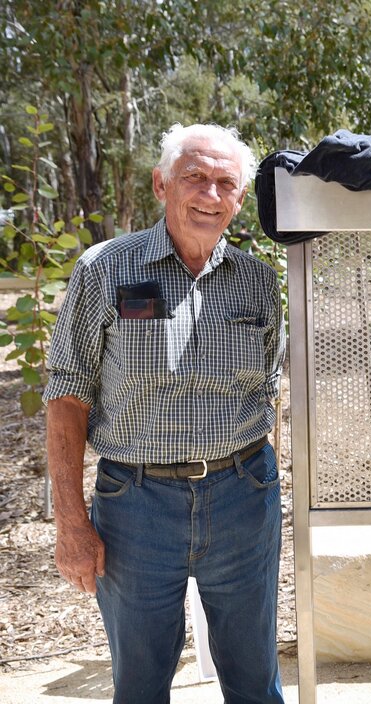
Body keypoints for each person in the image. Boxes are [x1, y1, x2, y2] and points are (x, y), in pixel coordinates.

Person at [44, 123, 286, 703]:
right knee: (142, 683)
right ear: (161, 184)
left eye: (225, 183)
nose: (209, 195)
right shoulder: (105, 269)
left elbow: (267, 391)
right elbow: (66, 398)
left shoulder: (256, 281)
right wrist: (72, 525)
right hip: (136, 506)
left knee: (255, 679)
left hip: (242, 498)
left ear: (239, 198)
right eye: (194, 177)